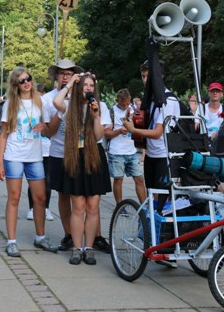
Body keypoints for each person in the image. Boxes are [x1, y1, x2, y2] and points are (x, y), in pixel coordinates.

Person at [122, 60, 181, 268]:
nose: (146, 80)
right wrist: (135, 120)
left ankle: (168, 248)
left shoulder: (168, 100)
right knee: (153, 199)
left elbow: (157, 133)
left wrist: (133, 129)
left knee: (164, 203)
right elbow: (146, 126)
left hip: (166, 157)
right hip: (152, 155)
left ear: (160, 76)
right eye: (144, 76)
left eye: (150, 76)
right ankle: (157, 242)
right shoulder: (151, 99)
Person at [0, 67, 58, 257]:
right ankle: (12, 241)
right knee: (14, 198)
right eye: (21, 81)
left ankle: (40, 237)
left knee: (40, 198)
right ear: (15, 85)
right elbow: (3, 136)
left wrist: (44, 127)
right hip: (14, 156)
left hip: (34, 156)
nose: (26, 83)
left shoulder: (40, 101)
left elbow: (48, 131)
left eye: (28, 79)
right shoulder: (10, 105)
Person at [52, 72, 111, 265]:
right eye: (85, 85)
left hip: (94, 157)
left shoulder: (100, 106)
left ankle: (89, 248)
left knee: (92, 207)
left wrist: (95, 117)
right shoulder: (70, 105)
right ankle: (77, 249)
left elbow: (99, 135)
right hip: (75, 157)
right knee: (78, 207)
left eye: (91, 85)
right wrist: (70, 83)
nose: (88, 88)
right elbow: (56, 101)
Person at [41, 59, 83, 252]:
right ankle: (68, 234)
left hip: (80, 152)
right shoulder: (48, 99)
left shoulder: (81, 94)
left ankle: (84, 236)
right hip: (58, 152)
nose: (65, 76)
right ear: (56, 76)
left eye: (69, 73)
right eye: (62, 73)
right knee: (63, 195)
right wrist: (60, 111)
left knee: (80, 197)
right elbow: (48, 132)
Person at [106, 88, 146, 204]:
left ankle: (143, 206)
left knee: (139, 178)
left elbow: (138, 128)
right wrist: (119, 131)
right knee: (118, 179)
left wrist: (131, 123)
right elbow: (107, 133)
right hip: (116, 152)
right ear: (117, 100)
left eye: (127, 103)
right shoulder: (111, 112)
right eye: (122, 104)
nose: (125, 106)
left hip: (132, 151)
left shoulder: (133, 110)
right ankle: (120, 206)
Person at [25, 83, 54, 222]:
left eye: (41, 94)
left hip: (47, 150)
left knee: (47, 181)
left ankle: (46, 208)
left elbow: (50, 130)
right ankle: (32, 208)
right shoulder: (30, 109)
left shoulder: (47, 107)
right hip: (34, 150)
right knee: (34, 181)